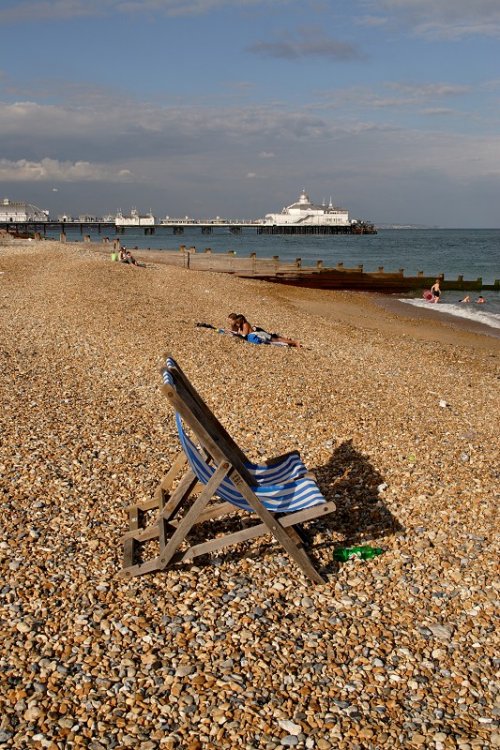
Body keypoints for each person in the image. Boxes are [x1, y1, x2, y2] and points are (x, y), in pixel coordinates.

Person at [227, 313, 302, 347]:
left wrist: (238, 332)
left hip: (260, 334)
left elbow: (244, 335)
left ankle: (295, 342)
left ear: (241, 321)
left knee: (276, 339)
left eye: (237, 323)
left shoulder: (245, 324)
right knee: (275, 338)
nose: (237, 324)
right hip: (259, 334)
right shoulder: (241, 325)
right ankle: (290, 341)